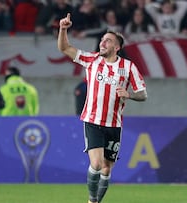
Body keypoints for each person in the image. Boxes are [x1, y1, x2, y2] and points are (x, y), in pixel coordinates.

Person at [57, 13, 147, 203]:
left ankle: (97, 200)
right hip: (92, 120)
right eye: (102, 40)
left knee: (107, 168)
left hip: (114, 124)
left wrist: (129, 94)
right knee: (96, 164)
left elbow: (143, 94)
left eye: (107, 41)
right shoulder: (92, 60)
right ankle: (91, 199)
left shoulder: (129, 67)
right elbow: (64, 47)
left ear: (117, 47)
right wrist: (63, 29)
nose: (102, 43)